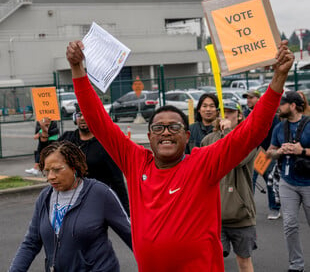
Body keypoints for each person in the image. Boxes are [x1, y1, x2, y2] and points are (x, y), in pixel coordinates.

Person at [66, 39, 294, 271]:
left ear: (186, 136)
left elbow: (251, 132)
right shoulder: (135, 162)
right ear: (149, 136)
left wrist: (278, 79)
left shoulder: (203, 163)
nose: (166, 132)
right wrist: (77, 69)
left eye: (174, 127)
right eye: (158, 128)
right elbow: (98, 120)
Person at [9, 141, 132, 272]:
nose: (51, 177)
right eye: (46, 171)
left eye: (57, 170)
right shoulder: (45, 197)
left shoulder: (100, 194)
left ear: (74, 167)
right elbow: (31, 243)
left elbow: (131, 235)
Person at [37, 103, 130, 215]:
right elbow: (47, 156)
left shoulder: (105, 143)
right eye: (79, 115)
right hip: (68, 200)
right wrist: (45, 133)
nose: (82, 118)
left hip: (95, 202)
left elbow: (117, 180)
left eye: (86, 115)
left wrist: (127, 213)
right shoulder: (68, 138)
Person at [201, 99, 257, 272]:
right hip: (215, 215)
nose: (226, 116)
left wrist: (229, 133)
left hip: (241, 215)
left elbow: (235, 159)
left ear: (239, 115)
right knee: (212, 261)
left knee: (243, 260)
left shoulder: (248, 139)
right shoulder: (208, 140)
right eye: (223, 112)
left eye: (231, 112)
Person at [267, 91, 310, 272]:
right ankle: (296, 264)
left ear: (293, 105)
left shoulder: (308, 124)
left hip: (308, 182)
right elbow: (269, 151)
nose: (279, 107)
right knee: (290, 224)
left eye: (282, 104)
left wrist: (301, 151)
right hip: (287, 182)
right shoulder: (279, 127)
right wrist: (280, 152)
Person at [243, 89, 281, 220]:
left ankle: (275, 208)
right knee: (250, 181)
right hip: (251, 153)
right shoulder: (245, 114)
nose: (248, 100)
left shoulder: (268, 113)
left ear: (258, 99)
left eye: (251, 97)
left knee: (269, 181)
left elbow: (275, 131)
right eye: (247, 97)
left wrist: (270, 149)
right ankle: (248, 209)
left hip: (265, 152)